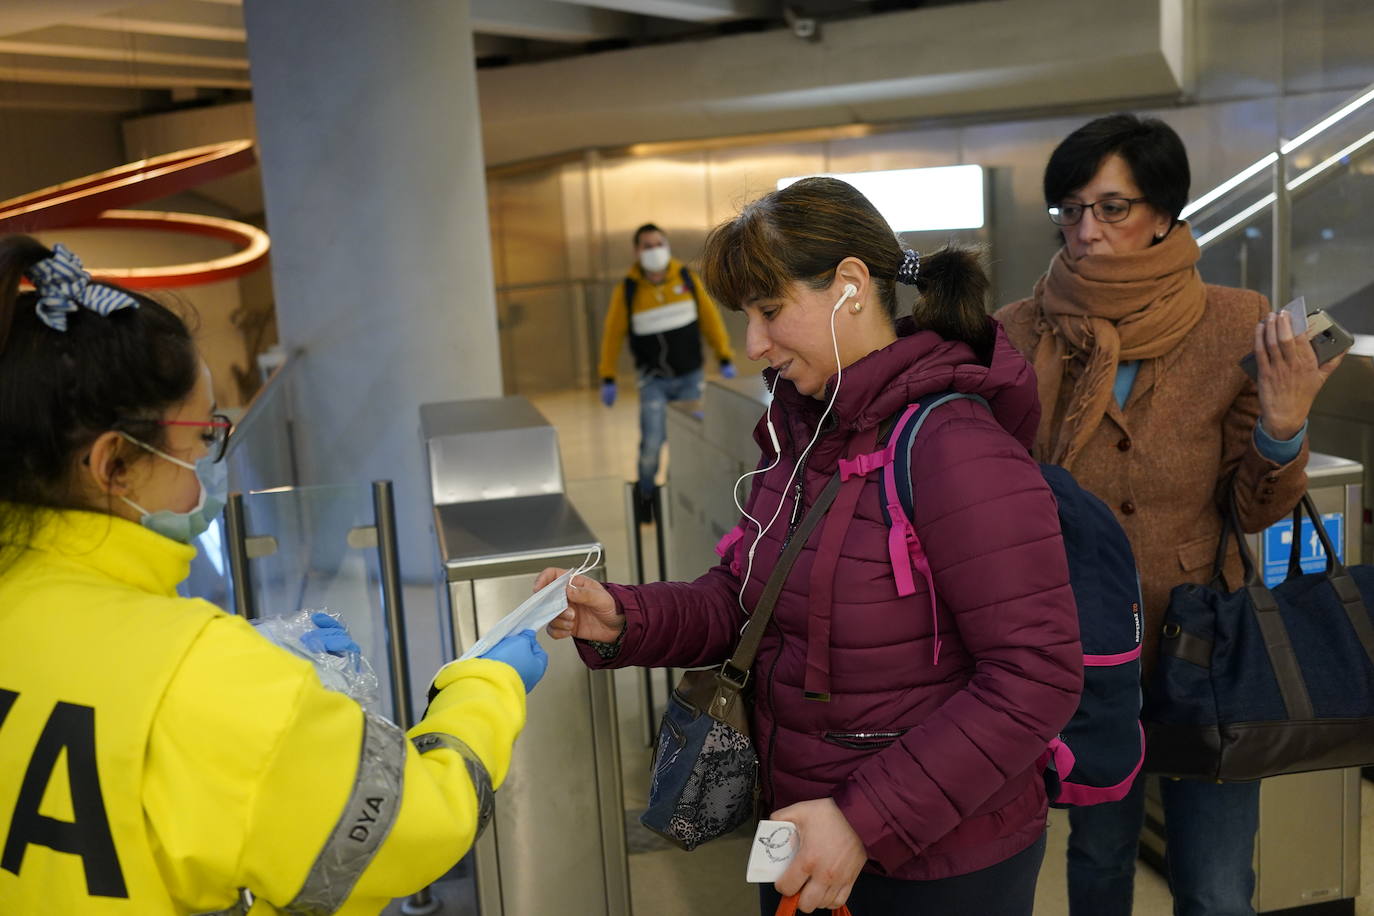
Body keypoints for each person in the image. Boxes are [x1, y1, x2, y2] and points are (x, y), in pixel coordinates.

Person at [546, 178, 1083, 914]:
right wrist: (624, 617)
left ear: (850, 286)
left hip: (932, 861)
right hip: (797, 823)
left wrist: (863, 820)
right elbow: (750, 604)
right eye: (746, 317)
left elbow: (1036, 677)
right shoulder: (805, 432)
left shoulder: (955, 447)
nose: (753, 345)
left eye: (769, 311)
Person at [0, 235, 549, 914]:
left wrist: (248, 655)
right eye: (202, 438)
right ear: (114, 464)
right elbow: (420, 824)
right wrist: (484, 686)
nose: (213, 464)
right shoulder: (203, 677)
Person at [994, 113, 1342, 916]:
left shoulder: (1234, 321)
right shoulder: (1021, 329)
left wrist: (1283, 425)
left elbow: (1252, 509)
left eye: (1112, 207)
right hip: (1078, 644)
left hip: (1204, 643)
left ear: (1163, 214)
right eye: (1071, 209)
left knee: (1217, 884)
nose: (1086, 229)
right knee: (1099, 854)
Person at [598, 223, 736, 521]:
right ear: (636, 252)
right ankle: (646, 501)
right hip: (653, 382)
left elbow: (710, 320)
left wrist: (724, 355)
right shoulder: (629, 289)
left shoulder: (685, 279)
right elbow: (612, 334)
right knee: (651, 446)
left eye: (658, 244)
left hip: (690, 379)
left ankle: (678, 500)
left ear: (668, 246)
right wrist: (607, 376)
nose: (654, 250)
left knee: (686, 445)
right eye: (647, 246)